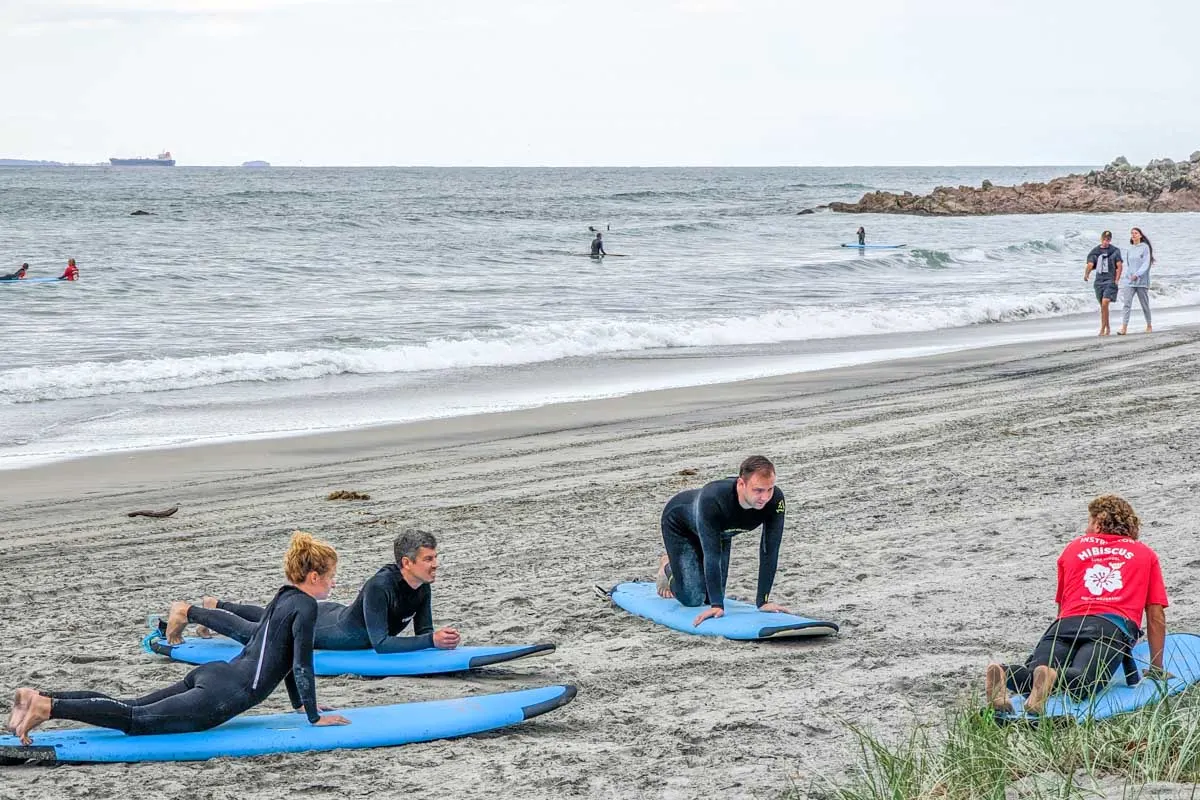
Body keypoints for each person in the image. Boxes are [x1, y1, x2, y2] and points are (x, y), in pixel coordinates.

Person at [5, 532, 350, 745]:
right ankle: (49, 706)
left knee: (135, 704)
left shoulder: (284, 596)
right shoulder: (305, 606)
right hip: (224, 694)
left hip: (217, 672)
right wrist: (314, 718)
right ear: (314, 575)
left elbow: (285, 657)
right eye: (332, 577)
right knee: (135, 720)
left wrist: (300, 704)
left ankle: (39, 697)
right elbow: (302, 663)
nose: (334, 584)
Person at [985, 495, 1170, 715]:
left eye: (1088, 522)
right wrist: (1156, 668)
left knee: (1034, 673)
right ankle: (1052, 677)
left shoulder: (1073, 548)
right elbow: (1155, 615)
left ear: (1098, 524)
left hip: (1063, 626)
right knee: (1085, 682)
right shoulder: (1144, 554)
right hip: (1108, 629)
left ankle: (1004, 673)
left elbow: (1063, 604)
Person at [169, 529, 461, 654]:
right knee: (256, 631)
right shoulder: (379, 586)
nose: (436, 565)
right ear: (406, 563)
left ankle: (217, 602)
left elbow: (425, 631)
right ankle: (188, 612)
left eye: (435, 558)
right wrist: (431, 642)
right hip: (330, 631)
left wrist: (435, 640)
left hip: (335, 613)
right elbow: (381, 644)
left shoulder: (422, 585)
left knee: (266, 614)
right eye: (429, 559)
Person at [653, 455, 792, 627]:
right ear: (742, 484)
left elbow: (770, 550)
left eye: (769, 489)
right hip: (680, 526)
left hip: (719, 533)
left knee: (711, 596)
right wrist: (717, 606)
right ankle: (667, 565)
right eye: (758, 490)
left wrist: (762, 601)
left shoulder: (775, 500)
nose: (765, 497)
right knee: (693, 599)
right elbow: (712, 556)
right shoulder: (714, 498)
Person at [1084, 231, 1123, 336]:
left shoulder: (1115, 251)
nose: (1106, 241)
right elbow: (1090, 263)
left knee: (1105, 302)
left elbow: (1119, 266)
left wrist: (1116, 280)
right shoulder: (1095, 251)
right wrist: (1086, 274)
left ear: (1110, 240)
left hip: (1110, 280)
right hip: (1099, 282)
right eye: (1104, 239)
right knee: (1103, 307)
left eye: (1108, 239)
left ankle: (1102, 329)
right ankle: (1108, 328)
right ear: (1101, 239)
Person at [1118, 228, 1153, 335]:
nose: (1133, 235)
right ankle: (1124, 328)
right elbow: (1129, 265)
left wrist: (1137, 274)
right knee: (1126, 304)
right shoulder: (1130, 249)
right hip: (1129, 281)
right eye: (1132, 233)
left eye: (1136, 233)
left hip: (1142, 281)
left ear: (1140, 235)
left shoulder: (1145, 248)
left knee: (1144, 304)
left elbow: (1146, 263)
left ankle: (1149, 325)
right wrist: (1129, 276)